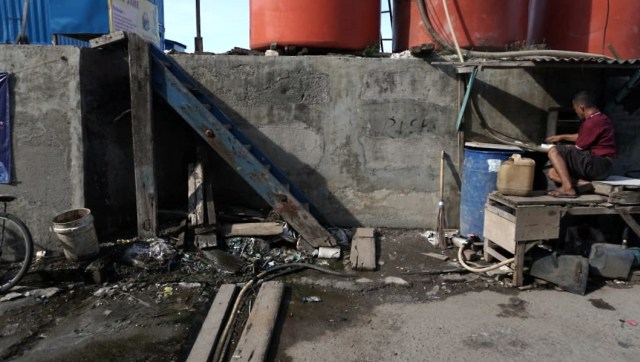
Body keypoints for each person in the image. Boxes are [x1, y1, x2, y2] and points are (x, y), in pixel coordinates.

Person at [545, 91, 616, 198]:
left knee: (554, 151)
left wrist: (563, 148)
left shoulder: (593, 122)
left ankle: (568, 188)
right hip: (602, 167)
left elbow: (579, 148)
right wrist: (561, 137)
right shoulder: (599, 118)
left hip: (599, 164)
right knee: (553, 173)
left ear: (581, 107)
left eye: (575, 108)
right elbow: (584, 136)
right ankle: (583, 183)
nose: (576, 111)